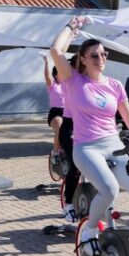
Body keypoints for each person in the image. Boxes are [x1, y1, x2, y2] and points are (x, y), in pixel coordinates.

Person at [50, 18, 129, 256]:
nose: (101, 59)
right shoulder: (73, 80)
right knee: (109, 189)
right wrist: (71, 28)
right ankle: (89, 230)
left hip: (114, 145)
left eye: (104, 54)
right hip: (86, 148)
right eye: (94, 55)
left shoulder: (115, 85)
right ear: (83, 59)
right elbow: (56, 51)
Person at [57, 54, 83, 223]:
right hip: (70, 127)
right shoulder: (69, 80)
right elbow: (58, 56)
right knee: (76, 166)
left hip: (86, 127)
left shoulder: (92, 81)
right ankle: (68, 204)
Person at [44, 55, 64, 155]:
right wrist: (46, 62)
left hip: (69, 111)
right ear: (56, 75)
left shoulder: (69, 84)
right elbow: (47, 76)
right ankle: (56, 152)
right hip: (56, 112)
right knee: (60, 129)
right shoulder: (53, 85)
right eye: (61, 72)